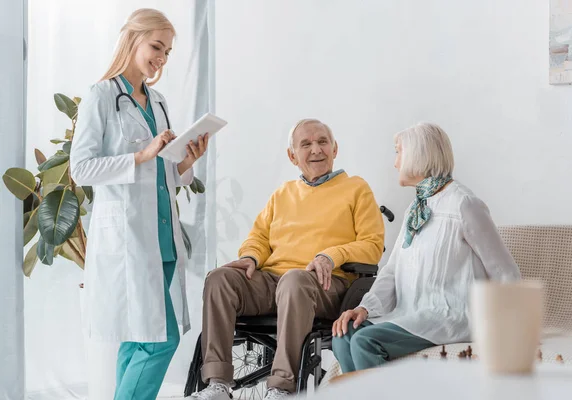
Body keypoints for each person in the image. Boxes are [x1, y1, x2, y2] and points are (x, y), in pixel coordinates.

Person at [70, 9, 208, 399]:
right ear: (133, 39)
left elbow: (164, 173)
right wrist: (140, 157)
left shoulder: (158, 101)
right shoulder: (101, 96)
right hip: (128, 239)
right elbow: (81, 169)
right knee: (159, 339)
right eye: (156, 47)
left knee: (137, 339)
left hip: (162, 238)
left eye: (167, 52)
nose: (161, 58)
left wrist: (186, 162)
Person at [193, 119, 385, 400]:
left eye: (322, 142)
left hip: (324, 284)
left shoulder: (356, 189)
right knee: (220, 278)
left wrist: (330, 255)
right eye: (306, 144)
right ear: (292, 155)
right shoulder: (282, 194)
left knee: (294, 280)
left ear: (335, 149)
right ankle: (218, 385)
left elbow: (372, 245)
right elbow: (258, 237)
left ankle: (281, 388)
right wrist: (250, 257)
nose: (316, 149)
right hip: (274, 282)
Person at [331, 122, 521, 373]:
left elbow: (504, 271)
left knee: (366, 341)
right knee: (343, 336)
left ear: (418, 155)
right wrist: (364, 308)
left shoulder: (464, 204)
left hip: (451, 316)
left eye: (398, 152)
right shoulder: (416, 208)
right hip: (412, 314)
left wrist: (516, 329)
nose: (395, 163)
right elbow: (392, 269)